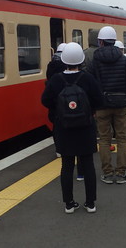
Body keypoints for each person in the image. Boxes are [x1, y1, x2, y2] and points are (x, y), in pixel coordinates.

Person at [41, 43, 103, 214]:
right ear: (81, 60)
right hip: (85, 127)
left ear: (64, 60)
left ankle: (69, 204)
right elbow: (99, 100)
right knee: (88, 164)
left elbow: (45, 100)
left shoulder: (56, 79)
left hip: (64, 127)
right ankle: (90, 203)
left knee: (67, 166)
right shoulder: (88, 78)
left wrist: (58, 109)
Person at [90, 26, 126, 184]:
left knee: (104, 139)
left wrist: (93, 107)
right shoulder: (124, 60)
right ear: (114, 41)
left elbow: (92, 84)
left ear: (101, 42)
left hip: (101, 104)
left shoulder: (95, 60)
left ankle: (107, 173)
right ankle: (122, 173)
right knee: (122, 139)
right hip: (122, 103)